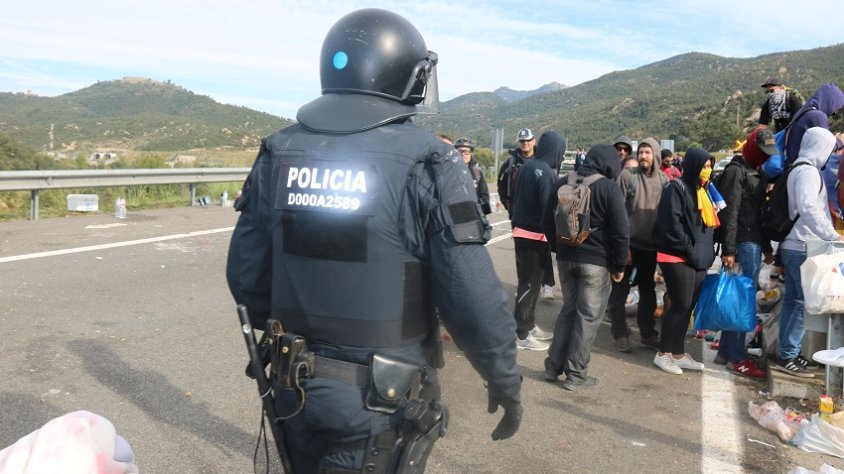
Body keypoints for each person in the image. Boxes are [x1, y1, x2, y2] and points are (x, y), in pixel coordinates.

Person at [225, 9, 522, 472]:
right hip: (379, 400)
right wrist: (502, 376)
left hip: (290, 383)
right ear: (408, 74)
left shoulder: (278, 150)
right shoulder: (431, 159)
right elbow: (471, 294)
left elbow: (246, 276)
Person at [542, 144, 629, 390]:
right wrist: (620, 265)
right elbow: (621, 232)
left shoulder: (562, 182)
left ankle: (552, 367)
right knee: (588, 317)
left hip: (566, 258)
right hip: (596, 263)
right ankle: (576, 375)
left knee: (569, 310)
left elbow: (546, 220)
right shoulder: (608, 188)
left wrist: (558, 248)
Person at [776, 127, 844, 377]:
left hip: (795, 243)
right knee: (801, 303)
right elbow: (808, 207)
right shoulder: (808, 172)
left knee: (793, 302)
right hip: (802, 244)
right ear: (820, 147)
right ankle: (788, 354)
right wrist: (831, 234)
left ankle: (788, 352)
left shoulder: (799, 168)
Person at [714, 127, 776, 379]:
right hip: (742, 244)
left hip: (752, 242)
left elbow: (758, 213)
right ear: (751, 147)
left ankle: (726, 351)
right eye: (762, 151)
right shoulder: (736, 171)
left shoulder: (756, 171)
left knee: (737, 299)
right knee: (742, 301)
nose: (765, 156)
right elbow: (730, 213)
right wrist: (729, 249)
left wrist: (767, 246)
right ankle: (737, 357)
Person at [652, 148, 717, 375]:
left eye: (710, 166)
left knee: (688, 306)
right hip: (675, 255)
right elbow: (671, 225)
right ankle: (663, 353)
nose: (707, 171)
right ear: (693, 165)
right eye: (704, 166)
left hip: (696, 258)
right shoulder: (675, 188)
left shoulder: (703, 190)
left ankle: (678, 353)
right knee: (680, 303)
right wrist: (690, 249)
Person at [607, 138, 665, 353]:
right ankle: (619, 333)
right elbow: (616, 212)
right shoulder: (627, 176)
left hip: (651, 248)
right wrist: (623, 246)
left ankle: (647, 334)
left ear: (655, 154)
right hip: (628, 246)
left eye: (647, 152)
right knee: (620, 290)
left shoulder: (664, 180)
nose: (643, 156)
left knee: (648, 291)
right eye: (640, 152)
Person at [509, 130, 562, 350]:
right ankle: (521, 334)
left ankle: (529, 325)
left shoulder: (526, 167)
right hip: (534, 236)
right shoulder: (546, 172)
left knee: (530, 284)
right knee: (529, 285)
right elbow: (549, 209)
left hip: (521, 231)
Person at [535, 131, 567, 301]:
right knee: (540, 255)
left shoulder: (529, 166)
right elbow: (550, 205)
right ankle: (541, 286)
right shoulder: (548, 173)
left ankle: (542, 285)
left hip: (528, 224)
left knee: (535, 257)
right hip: (540, 224)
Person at [783, 83, 844, 168]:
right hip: (804, 167)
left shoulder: (806, 110)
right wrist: (839, 141)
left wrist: (834, 139)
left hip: (794, 163)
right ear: (830, 102)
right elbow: (823, 148)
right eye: (835, 108)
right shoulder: (817, 116)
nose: (834, 112)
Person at [497, 128, 536, 219]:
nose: (525, 143)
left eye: (528, 140)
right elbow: (501, 184)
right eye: (522, 140)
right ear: (518, 142)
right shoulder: (510, 162)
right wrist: (508, 205)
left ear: (534, 141)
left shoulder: (542, 160)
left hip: (537, 215)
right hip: (517, 215)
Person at [454, 137, 492, 215]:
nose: (463, 154)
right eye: (460, 151)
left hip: (474, 215)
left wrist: (479, 211)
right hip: (454, 215)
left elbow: (484, 197)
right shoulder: (448, 172)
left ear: (471, 153)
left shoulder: (477, 173)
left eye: (466, 151)